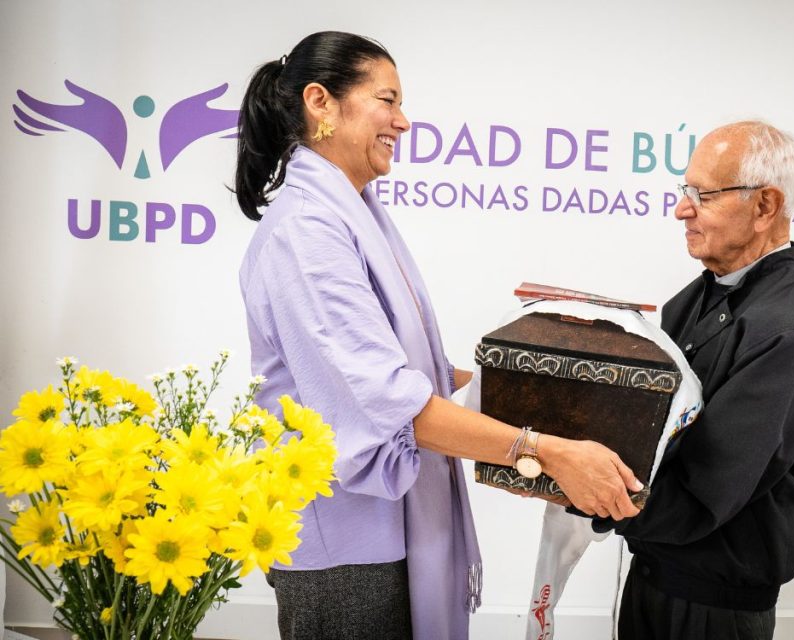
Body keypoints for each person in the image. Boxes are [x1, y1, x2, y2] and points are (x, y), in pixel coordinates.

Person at [233, 31, 643, 640]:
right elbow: (389, 400)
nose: (403, 121)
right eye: (387, 100)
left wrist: (553, 396)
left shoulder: (353, 215)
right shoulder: (308, 231)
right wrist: (545, 450)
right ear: (320, 101)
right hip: (346, 545)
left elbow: (419, 373)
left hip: (382, 531)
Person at [610, 120, 794, 640]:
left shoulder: (789, 333)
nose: (682, 209)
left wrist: (582, 485)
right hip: (656, 578)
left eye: (703, 195)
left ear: (765, 206)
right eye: (685, 191)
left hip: (712, 611)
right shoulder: (698, 297)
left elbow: (704, 493)